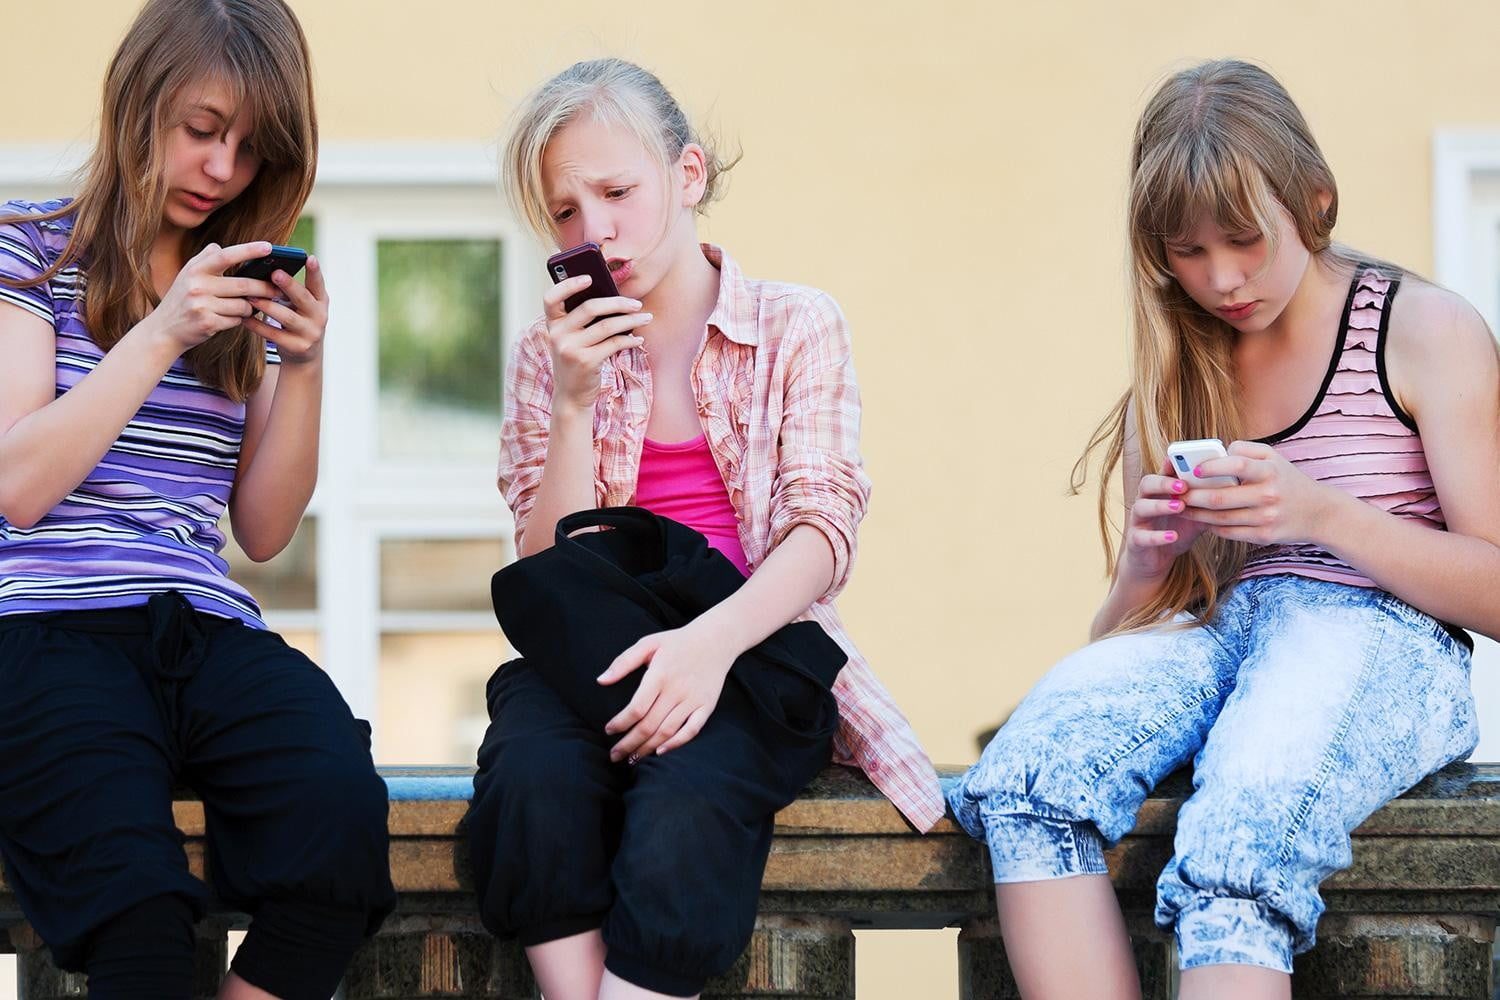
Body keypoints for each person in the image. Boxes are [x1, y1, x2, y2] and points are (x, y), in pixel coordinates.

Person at [948, 59, 1500, 1000]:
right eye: (1186, 252)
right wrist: (1145, 566)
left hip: (1381, 640)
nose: (1221, 279)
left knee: (1242, 833)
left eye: (1244, 241)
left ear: (1314, 203)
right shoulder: (1174, 374)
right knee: (1028, 779)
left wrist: (1320, 512)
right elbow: (1120, 650)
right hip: (1219, 640)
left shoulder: (1421, 330)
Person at [464, 57, 945, 1000]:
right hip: (592, 649)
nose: (593, 229)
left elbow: (824, 528)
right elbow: (540, 567)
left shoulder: (797, 324)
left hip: (750, 647)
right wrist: (571, 404)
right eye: (564, 212)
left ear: (688, 178)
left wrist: (705, 647)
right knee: (528, 782)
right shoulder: (547, 354)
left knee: (690, 806)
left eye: (616, 191)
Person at [0, 2, 395, 997]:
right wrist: (162, 331)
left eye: (250, 148)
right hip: (47, 624)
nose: (222, 170)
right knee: (139, 915)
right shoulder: (29, 254)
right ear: (139, 105)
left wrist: (300, 365)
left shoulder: (240, 294)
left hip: (203, 626)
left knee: (342, 828)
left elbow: (261, 531)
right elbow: (18, 485)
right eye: (202, 130)